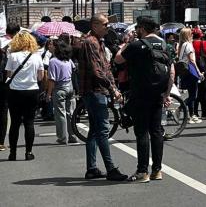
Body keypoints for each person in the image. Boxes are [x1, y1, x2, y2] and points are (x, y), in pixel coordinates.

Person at [115, 16, 174, 182]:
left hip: (140, 93)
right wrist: (167, 93)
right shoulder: (164, 45)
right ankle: (157, 170)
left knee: (142, 132)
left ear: (141, 28)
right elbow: (171, 71)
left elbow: (118, 59)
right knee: (156, 131)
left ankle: (142, 171)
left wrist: (128, 41)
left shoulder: (136, 45)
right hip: (158, 93)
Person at [73, 14, 129, 181]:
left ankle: (92, 168)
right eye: (105, 24)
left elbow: (105, 67)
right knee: (103, 131)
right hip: (95, 91)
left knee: (94, 131)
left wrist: (112, 86)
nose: (108, 27)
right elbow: (97, 71)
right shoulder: (91, 42)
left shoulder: (97, 41)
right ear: (95, 25)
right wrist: (112, 89)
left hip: (94, 90)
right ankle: (111, 169)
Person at [4, 31, 44, 161]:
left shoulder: (12, 56)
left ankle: (13, 153)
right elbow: (40, 76)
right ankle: (29, 152)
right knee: (29, 122)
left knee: (15, 123)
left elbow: (9, 75)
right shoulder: (36, 56)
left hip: (15, 91)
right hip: (31, 90)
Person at [46, 36, 78, 145]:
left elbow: (51, 80)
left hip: (59, 88)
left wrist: (48, 94)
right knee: (71, 113)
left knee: (60, 113)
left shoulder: (53, 61)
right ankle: (73, 135)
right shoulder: (68, 60)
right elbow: (74, 70)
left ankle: (62, 137)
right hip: (70, 86)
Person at [0, 23, 21, 152]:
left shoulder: (3, 41)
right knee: (3, 109)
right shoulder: (15, 44)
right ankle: (1, 142)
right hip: (5, 81)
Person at [177, 28, 202, 124]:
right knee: (193, 95)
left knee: (191, 94)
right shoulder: (188, 45)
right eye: (190, 33)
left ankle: (191, 115)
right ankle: (180, 108)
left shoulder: (182, 45)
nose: (192, 35)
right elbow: (192, 60)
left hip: (184, 71)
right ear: (188, 35)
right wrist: (198, 72)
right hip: (190, 70)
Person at [192, 30, 206, 120]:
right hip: (203, 70)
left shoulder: (190, 44)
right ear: (201, 36)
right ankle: (204, 111)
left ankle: (194, 111)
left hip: (193, 69)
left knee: (194, 91)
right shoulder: (204, 43)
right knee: (203, 91)